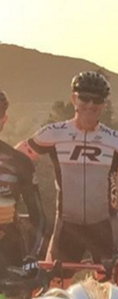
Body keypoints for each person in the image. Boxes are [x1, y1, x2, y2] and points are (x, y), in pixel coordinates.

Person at [16, 72, 118, 285]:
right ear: (74, 99)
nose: (91, 104)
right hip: (67, 225)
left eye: (98, 99)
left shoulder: (117, 141)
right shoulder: (55, 133)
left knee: (112, 289)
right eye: (85, 97)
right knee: (55, 288)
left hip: (103, 226)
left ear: (104, 104)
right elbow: (16, 158)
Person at [0, 90, 46, 296]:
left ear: (4, 119)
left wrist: (33, 257)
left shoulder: (20, 162)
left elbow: (39, 217)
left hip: (10, 256)